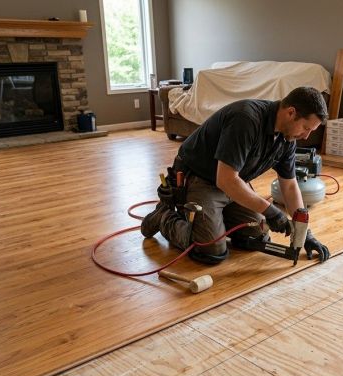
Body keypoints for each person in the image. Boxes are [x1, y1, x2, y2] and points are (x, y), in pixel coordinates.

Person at [141, 86, 331, 265]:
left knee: (256, 236)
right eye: (306, 128)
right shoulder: (246, 119)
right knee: (211, 249)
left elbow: (289, 186)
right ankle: (164, 216)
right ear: (291, 112)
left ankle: (215, 218)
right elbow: (225, 179)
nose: (306, 136)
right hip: (201, 180)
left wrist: (304, 233)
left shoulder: (287, 138)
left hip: (234, 184)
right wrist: (270, 210)